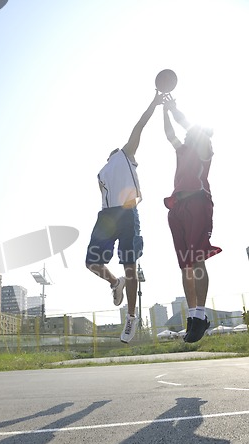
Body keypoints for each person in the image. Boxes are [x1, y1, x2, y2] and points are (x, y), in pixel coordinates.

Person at [85, 91, 164, 343]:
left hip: (126, 212)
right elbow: (139, 126)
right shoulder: (109, 166)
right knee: (92, 262)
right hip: (109, 216)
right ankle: (113, 282)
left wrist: (154, 103)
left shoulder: (123, 159)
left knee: (130, 266)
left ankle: (130, 318)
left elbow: (140, 126)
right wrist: (153, 102)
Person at [163, 95, 222, 343]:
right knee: (185, 264)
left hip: (198, 203)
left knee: (197, 259)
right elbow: (169, 134)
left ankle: (201, 315)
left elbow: (189, 127)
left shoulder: (204, 147)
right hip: (178, 208)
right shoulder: (183, 149)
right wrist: (164, 110)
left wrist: (175, 109)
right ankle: (193, 316)